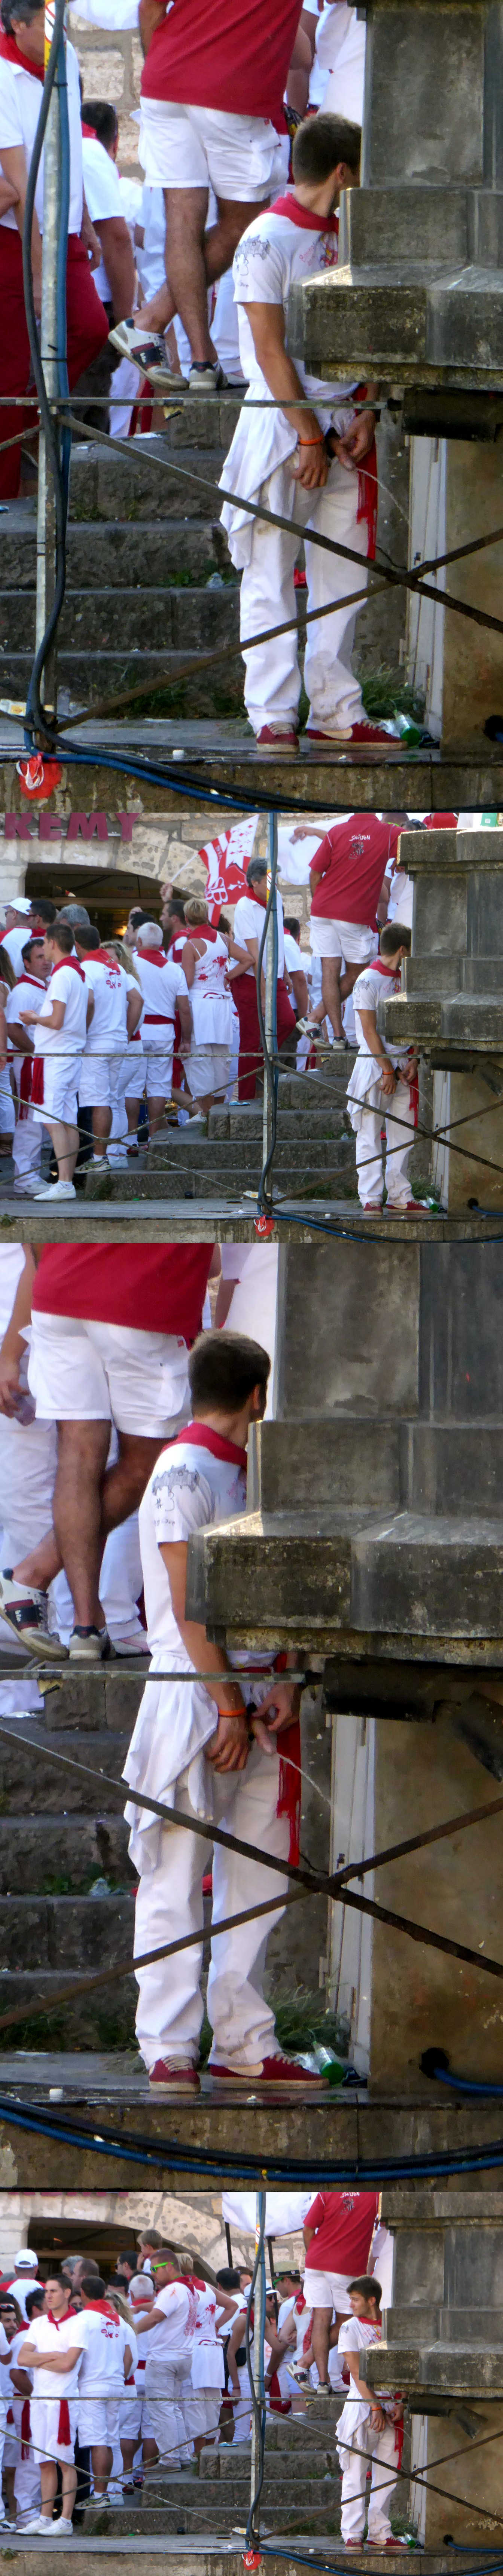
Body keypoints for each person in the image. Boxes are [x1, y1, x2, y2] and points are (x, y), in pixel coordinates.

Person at [124, 1325, 328, 2095]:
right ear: (257, 1395)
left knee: (257, 1876)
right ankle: (169, 2043)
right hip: (197, 1692)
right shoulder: (182, 1470)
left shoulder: (265, 1474)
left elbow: (291, 1589)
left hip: (263, 1691)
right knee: (175, 1870)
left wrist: (287, 1681)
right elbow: (189, 1606)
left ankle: (243, 2039)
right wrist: (227, 1706)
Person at [220, 113, 391, 754]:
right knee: (269, 569)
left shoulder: (359, 239)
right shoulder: (266, 238)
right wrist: (308, 436)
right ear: (343, 172)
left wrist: (368, 410)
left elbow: (378, 333)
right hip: (283, 424)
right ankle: (272, 714)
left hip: (347, 420)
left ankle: (336, 708)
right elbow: (268, 348)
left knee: (343, 574)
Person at [0, 1241, 213, 1658]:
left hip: (59, 1291)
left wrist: (11, 1353)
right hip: (140, 1298)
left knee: (78, 1456)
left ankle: (86, 1627)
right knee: (150, 1462)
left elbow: (34, 1245)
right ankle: (35, 1577)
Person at [128, 0, 301, 393]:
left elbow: (150, 7)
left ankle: (201, 359)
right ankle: (156, 324)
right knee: (245, 220)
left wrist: (170, 69)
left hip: (166, 78)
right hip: (230, 87)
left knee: (183, 219)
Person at [0, 0, 109, 500]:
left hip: (61, 226)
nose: (52, 36)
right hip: (16, 233)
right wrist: (36, 267)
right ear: (15, 24)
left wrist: (84, 220)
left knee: (90, 327)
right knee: (11, 365)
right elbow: (20, 180)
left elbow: (68, 147)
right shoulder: (3, 75)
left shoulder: (62, 51)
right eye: (40, 26)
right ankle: (9, 495)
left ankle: (29, 424)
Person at [347, 921, 432, 1213]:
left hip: (405, 1063)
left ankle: (400, 1195)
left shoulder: (409, 980)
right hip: (375, 1065)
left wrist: (415, 1058)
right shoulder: (367, 980)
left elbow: (417, 1022)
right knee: (370, 1130)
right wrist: (386, 1069)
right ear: (403, 950)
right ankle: (371, 1197)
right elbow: (369, 1030)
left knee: (403, 1134)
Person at [307, 812, 400, 1044]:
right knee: (357, 972)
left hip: (322, 909)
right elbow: (418, 841)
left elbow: (315, 873)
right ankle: (316, 1017)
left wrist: (321, 901)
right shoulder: (388, 832)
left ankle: (338, 1036)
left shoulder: (336, 832)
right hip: (352, 913)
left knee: (330, 971)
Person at [17, 916, 91, 1203]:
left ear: (52, 943)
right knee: (67, 1120)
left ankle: (64, 1182)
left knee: (52, 1119)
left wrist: (34, 1018)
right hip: (69, 1054)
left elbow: (56, 1021)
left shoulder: (63, 975)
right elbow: (84, 1008)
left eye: (45, 943)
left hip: (57, 1056)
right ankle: (66, 1181)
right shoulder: (77, 972)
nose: (44, 949)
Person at [18, 2270, 87, 2539]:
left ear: (67, 2293)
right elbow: (23, 2359)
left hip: (63, 2400)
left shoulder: (78, 2323)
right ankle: (45, 2517)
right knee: (44, 2461)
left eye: (53, 2291)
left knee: (65, 2461)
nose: (48, 2295)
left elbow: (68, 2364)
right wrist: (51, 2356)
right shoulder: (38, 2324)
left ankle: (66, 2519)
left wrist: (40, 2359)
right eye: (46, 2291)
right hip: (40, 2399)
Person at [336, 2276, 403, 2546]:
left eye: (355, 2299)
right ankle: (352, 2533)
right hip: (363, 2405)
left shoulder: (393, 2326)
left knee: (387, 2474)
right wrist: (375, 2405)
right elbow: (356, 2370)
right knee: (355, 2471)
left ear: (371, 2300)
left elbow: (403, 2366)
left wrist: (402, 2401)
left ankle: (381, 2532)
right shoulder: (349, 2327)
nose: (351, 2304)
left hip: (393, 2405)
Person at [74, 921, 143, 1172]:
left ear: (77, 945)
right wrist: (127, 1032)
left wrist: (82, 1034)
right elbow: (137, 1000)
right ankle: (111, 1155)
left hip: (97, 1043)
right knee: (112, 1100)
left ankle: (100, 1158)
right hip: (118, 1042)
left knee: (100, 1101)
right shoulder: (116, 967)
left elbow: (89, 1002)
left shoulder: (86, 968)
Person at [296, 2191, 379, 2397]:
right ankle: (305, 2362)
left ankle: (323, 2382)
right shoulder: (375, 2194)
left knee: (321, 2318)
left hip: (316, 2262)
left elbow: (308, 2229)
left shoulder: (328, 2192)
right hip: (346, 2266)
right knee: (348, 2319)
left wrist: (314, 2256)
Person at [229, 856, 297, 1100]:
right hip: (250, 978)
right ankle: (246, 1099)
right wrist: (263, 990)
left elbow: (277, 937)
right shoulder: (245, 906)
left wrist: (284, 971)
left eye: (274, 879)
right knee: (250, 1039)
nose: (273, 884)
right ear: (254, 882)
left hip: (274, 975)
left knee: (288, 1021)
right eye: (268, 880)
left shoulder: (276, 897)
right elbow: (254, 954)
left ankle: (259, 1064)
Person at [76, 2270, 133, 2506]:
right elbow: (128, 2357)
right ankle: (107, 2493)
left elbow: (76, 2355)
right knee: (109, 2441)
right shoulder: (119, 2320)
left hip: (93, 2386)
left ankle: (99, 2495)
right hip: (116, 2384)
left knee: (98, 2442)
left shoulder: (83, 2319)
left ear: (83, 2294)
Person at [132, 918, 192, 1138]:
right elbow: (184, 1009)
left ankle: (130, 1140)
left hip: (137, 1031)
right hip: (164, 1033)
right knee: (158, 1087)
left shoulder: (130, 964)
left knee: (132, 1088)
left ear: (139, 941)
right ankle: (154, 1137)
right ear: (160, 944)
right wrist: (186, 1041)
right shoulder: (175, 970)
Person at [180, 897, 235, 1114]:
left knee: (200, 1064)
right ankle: (219, 1117)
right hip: (221, 1004)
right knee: (221, 1063)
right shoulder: (223, 938)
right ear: (206, 916)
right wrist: (228, 977)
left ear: (187, 919)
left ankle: (208, 1118)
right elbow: (249, 960)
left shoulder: (191, 944)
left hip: (199, 1005)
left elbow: (188, 981)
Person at [5, 933, 50, 1195]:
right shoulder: (24, 991)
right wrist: (36, 1053)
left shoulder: (43, 987)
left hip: (40, 1061)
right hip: (31, 1063)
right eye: (39, 957)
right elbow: (14, 1029)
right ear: (27, 963)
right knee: (30, 1120)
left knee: (39, 1120)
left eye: (47, 956)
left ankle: (31, 1173)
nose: (46, 962)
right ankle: (24, 1178)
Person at [283, 917, 309, 1020]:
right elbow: (300, 981)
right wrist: (304, 1019)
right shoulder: (288, 941)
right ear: (299, 936)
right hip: (291, 1009)